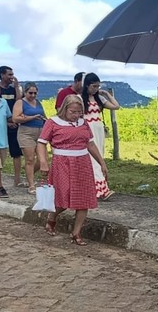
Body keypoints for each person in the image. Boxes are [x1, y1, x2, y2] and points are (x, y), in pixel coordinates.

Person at [36, 94, 107, 245]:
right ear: (64, 109)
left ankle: (76, 233)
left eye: (78, 112)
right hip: (62, 163)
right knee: (63, 196)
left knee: (83, 199)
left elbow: (90, 144)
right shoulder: (52, 122)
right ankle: (52, 217)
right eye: (72, 112)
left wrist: (101, 162)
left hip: (82, 163)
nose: (75, 115)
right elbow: (41, 143)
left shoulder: (83, 123)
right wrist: (43, 162)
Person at [81, 73, 119, 199]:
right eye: (94, 86)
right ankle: (101, 189)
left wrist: (107, 94)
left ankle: (97, 187)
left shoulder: (99, 99)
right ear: (87, 85)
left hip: (98, 129)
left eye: (98, 86)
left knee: (99, 155)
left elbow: (116, 106)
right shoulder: (80, 99)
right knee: (92, 158)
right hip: (87, 128)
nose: (96, 89)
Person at [14, 82, 46, 194]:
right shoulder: (20, 102)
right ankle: (31, 185)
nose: (32, 95)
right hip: (26, 132)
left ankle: (29, 174)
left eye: (35, 93)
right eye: (30, 93)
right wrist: (31, 117)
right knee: (30, 159)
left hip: (40, 132)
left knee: (42, 159)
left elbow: (43, 116)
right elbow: (15, 118)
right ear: (25, 92)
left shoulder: (38, 102)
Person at [0, 65, 23, 186]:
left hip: (14, 124)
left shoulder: (13, 89)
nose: (12, 77)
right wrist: (6, 122)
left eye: (12, 75)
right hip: (0, 126)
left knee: (16, 152)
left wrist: (17, 86)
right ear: (2, 75)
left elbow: (18, 102)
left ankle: (17, 179)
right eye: (9, 75)